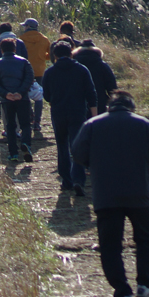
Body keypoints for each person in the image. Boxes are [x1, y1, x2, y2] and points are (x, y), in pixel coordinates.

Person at [72, 90, 149, 297]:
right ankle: (144, 283)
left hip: (106, 194)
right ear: (131, 107)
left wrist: (94, 167)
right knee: (144, 239)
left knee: (110, 246)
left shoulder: (92, 125)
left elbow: (77, 153)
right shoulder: (145, 125)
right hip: (139, 192)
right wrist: (140, 168)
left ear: (109, 106)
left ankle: (123, 293)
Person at [42, 41, 97, 196]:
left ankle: (66, 181)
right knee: (77, 145)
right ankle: (79, 179)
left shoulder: (50, 72)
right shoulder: (81, 70)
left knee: (62, 146)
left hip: (58, 112)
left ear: (55, 55)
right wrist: (94, 114)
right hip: (77, 111)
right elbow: (91, 93)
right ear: (71, 52)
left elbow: (45, 95)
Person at [0, 37, 35, 162]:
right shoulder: (24, 62)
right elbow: (30, 78)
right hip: (23, 98)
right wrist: (20, 92)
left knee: (10, 126)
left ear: (1, 50)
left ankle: (13, 153)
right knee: (25, 124)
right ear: (15, 49)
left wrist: (5, 94)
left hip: (6, 100)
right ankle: (26, 144)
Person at [19, 18, 51, 132]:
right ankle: (37, 122)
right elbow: (50, 55)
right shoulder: (44, 39)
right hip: (39, 71)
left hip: (25, 70)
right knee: (38, 97)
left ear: (27, 27)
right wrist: (42, 57)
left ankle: (30, 116)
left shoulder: (21, 39)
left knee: (25, 94)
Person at [74, 38, 118, 114]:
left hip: (78, 103)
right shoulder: (102, 65)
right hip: (99, 103)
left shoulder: (74, 66)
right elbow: (112, 87)